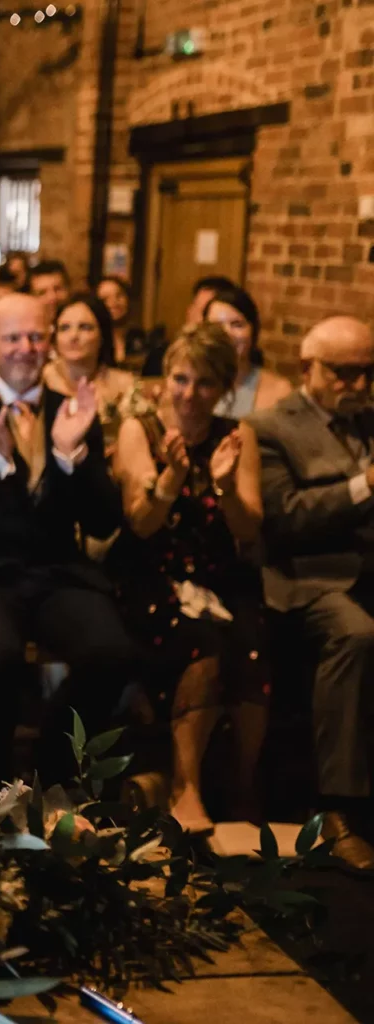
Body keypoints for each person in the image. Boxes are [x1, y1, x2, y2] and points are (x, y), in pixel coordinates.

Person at [0, 292, 135, 782]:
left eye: (37, 336)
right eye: (13, 337)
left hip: (55, 574)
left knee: (112, 652)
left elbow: (104, 523)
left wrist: (71, 456)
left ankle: (50, 768)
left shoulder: (73, 410)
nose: (26, 347)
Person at [110, 323, 267, 833]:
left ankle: (242, 784)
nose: (189, 394)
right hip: (152, 575)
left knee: (253, 646)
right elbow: (140, 523)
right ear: (163, 381)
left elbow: (248, 528)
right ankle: (186, 786)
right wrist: (170, 482)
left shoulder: (236, 437)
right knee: (203, 645)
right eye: (180, 379)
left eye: (203, 383)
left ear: (223, 388)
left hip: (219, 575)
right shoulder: (142, 429)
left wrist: (224, 487)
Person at [251, 315, 374, 870]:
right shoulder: (271, 426)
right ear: (308, 368)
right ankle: (336, 808)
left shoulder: (367, 419)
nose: (360, 385)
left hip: (367, 568)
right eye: (345, 373)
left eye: (368, 373)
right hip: (307, 578)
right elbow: (285, 520)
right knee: (356, 634)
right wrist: (364, 486)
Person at [43, 293, 138, 452]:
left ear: (102, 335)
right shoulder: (40, 381)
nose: (73, 336)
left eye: (85, 327)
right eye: (64, 328)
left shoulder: (125, 385)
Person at [205, 285, 293, 417]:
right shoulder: (186, 386)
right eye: (216, 326)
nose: (227, 334)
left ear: (254, 331)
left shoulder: (279, 392)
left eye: (237, 324)